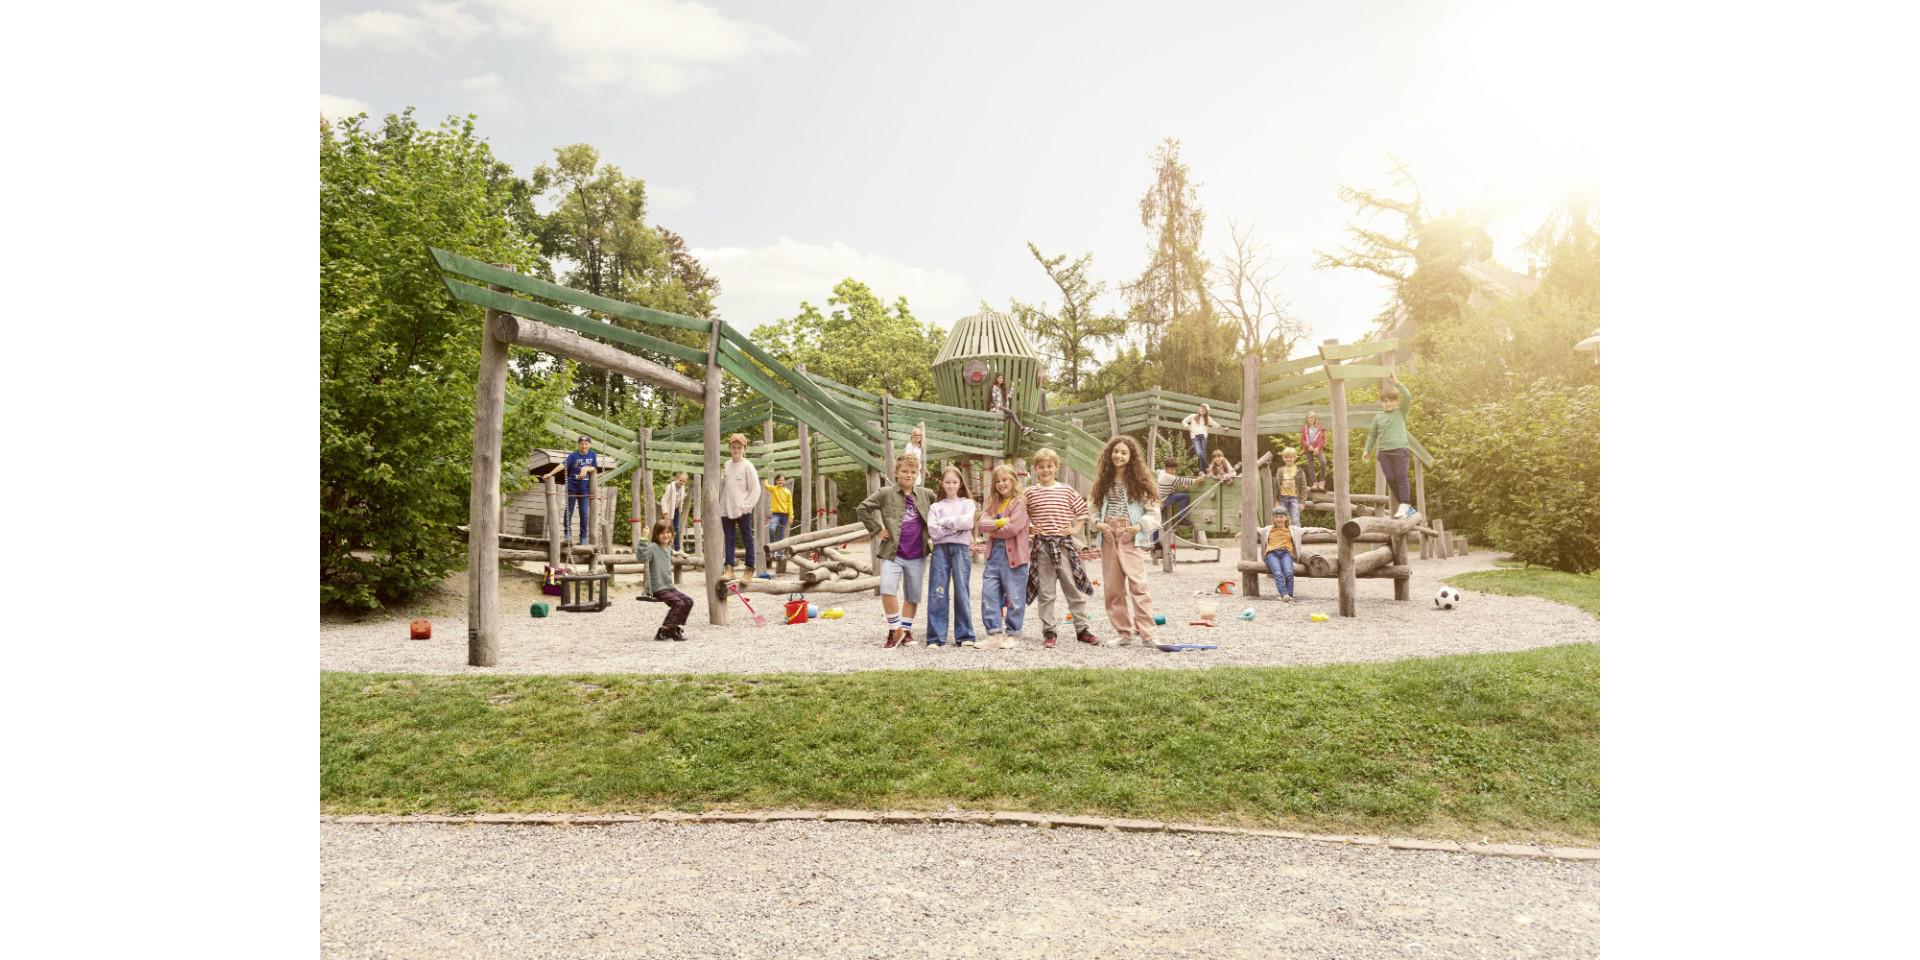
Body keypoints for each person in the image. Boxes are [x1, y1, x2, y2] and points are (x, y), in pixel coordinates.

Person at [856, 453, 936, 649]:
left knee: (913, 595)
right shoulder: (885, 493)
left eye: (913, 472)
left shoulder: (927, 494)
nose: (909, 475)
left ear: (917, 474)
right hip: (893, 553)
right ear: (896, 473)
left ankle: (906, 631)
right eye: (905, 471)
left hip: (918, 554)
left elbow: (941, 512)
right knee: (887, 588)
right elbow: (863, 508)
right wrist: (876, 530)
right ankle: (894, 629)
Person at [1090, 435, 1161, 647]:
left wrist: (1139, 526)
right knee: (1113, 588)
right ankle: (1124, 633)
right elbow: (1092, 507)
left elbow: (1153, 512)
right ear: (1109, 454)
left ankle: (1148, 634)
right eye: (1115, 452)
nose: (1118, 456)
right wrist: (1097, 523)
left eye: (1123, 452)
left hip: (1130, 537)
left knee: (1139, 586)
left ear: (1131, 457)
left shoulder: (1140, 483)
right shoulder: (1102, 482)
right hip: (1109, 536)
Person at [1023, 447, 1097, 648]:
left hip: (1064, 546)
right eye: (1041, 467)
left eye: (1049, 466)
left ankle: (1082, 629)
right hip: (1042, 547)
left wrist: (1075, 528)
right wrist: (1030, 527)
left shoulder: (1066, 490)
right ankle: (1049, 631)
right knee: (1046, 592)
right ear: (1036, 469)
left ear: (1056, 467)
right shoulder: (1030, 492)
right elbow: (1020, 514)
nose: (1046, 470)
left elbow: (1082, 510)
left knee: (1072, 588)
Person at [976, 463, 1030, 649]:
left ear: (1013, 481)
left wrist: (993, 528)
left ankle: (1013, 634)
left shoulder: (1020, 503)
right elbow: (981, 525)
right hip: (994, 556)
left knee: (1015, 596)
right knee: (989, 593)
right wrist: (999, 522)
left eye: (1005, 480)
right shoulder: (993, 504)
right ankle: (994, 634)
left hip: (1014, 556)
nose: (1001, 484)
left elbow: (1013, 529)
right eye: (998, 481)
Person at [924, 465, 978, 647]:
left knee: (962, 591)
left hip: (961, 550)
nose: (951, 485)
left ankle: (965, 635)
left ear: (960, 483)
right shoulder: (935, 506)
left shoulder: (968, 504)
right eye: (947, 482)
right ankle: (935, 637)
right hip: (940, 551)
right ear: (942, 483)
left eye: (955, 482)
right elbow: (934, 532)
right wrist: (955, 528)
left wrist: (945, 523)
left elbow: (967, 522)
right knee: (938, 591)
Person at [1363, 378, 1419, 520]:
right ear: (1381, 403)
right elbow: (1372, 434)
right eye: (1385, 401)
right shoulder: (1378, 417)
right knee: (1391, 478)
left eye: (1390, 400)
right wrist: (1367, 450)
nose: (1388, 403)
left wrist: (1397, 383)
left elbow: (1408, 396)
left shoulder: (1401, 412)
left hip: (1400, 451)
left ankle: (1405, 504)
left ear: (1396, 402)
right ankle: (1407, 508)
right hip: (1384, 453)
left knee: (1401, 477)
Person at [718, 433, 761, 577]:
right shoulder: (727, 465)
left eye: (739, 447)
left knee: (747, 537)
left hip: (742, 510)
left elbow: (756, 490)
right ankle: (729, 568)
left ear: (744, 449)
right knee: (728, 539)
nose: (736, 450)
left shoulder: (748, 466)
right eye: (733, 447)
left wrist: (745, 507)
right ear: (730, 448)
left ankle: (749, 567)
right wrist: (722, 506)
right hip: (726, 509)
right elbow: (727, 487)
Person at [643, 521, 693, 640]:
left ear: (672, 533)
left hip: (668, 586)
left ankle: (673, 627)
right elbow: (641, 556)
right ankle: (664, 630)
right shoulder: (653, 548)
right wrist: (643, 537)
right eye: (661, 533)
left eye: (668, 532)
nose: (665, 535)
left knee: (688, 601)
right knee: (679, 603)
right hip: (656, 587)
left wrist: (680, 554)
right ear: (656, 535)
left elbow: (672, 552)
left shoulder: (668, 548)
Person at [1256, 503, 1304, 602]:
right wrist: (1242, 533)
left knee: (1289, 573)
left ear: (1286, 518)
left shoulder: (1293, 530)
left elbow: (1309, 530)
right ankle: (1284, 594)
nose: (1278, 519)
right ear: (1273, 519)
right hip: (1271, 554)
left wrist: (1326, 530)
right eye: (1276, 517)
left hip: (1286, 553)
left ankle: (1289, 595)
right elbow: (1254, 529)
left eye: (1281, 517)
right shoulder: (1267, 529)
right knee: (1278, 573)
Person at [562, 435, 599, 545]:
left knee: (584, 513)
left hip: (584, 489)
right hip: (572, 487)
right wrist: (550, 473)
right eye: (582, 444)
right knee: (569, 510)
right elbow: (562, 465)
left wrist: (586, 468)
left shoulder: (592, 455)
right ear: (579, 444)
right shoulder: (573, 456)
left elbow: (595, 468)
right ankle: (567, 534)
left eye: (586, 443)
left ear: (589, 445)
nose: (584, 446)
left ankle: (583, 537)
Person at [1155, 458, 1197, 544]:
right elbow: (1182, 480)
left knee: (1156, 522)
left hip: (1161, 498)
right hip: (1165, 499)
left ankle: (1154, 541)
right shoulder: (1167, 476)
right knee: (1185, 496)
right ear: (1166, 468)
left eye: (1175, 469)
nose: (1174, 471)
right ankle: (1182, 518)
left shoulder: (1162, 472)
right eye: (1171, 469)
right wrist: (1196, 480)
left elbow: (1157, 471)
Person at [1273, 446, 1305, 526]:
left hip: (1294, 498)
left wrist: (1302, 502)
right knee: (1282, 518)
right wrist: (1276, 501)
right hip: (1282, 498)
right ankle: (1283, 535)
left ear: (1295, 458)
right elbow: (1276, 486)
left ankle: (1296, 536)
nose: (1288, 459)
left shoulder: (1299, 471)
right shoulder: (1280, 470)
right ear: (1283, 458)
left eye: (1291, 457)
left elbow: (1303, 487)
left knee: (1295, 518)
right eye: (1286, 457)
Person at [764, 474, 793, 559]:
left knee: (781, 534)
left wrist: (791, 516)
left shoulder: (787, 492)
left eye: (782, 480)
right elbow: (766, 485)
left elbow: (790, 505)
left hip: (785, 514)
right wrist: (765, 476)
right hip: (776, 514)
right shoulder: (773, 489)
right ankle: (772, 549)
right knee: (771, 529)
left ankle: (779, 552)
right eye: (779, 480)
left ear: (784, 481)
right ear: (776, 481)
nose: (780, 481)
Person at [659, 473, 689, 552]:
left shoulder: (682, 487)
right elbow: (664, 500)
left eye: (684, 481)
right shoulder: (670, 487)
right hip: (669, 510)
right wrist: (665, 513)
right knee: (666, 528)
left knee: (676, 529)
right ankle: (665, 547)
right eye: (680, 480)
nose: (681, 482)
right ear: (677, 479)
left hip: (676, 510)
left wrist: (684, 496)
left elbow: (679, 497)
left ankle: (677, 548)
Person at [1301, 412, 1328, 492]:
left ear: (1315, 418)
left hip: (1318, 449)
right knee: (1310, 465)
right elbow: (1302, 440)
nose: (1311, 419)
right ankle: (1314, 483)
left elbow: (1323, 439)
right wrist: (1308, 446)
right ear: (1307, 419)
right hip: (1308, 449)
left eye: (1313, 417)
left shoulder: (1320, 428)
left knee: (1323, 462)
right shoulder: (1305, 429)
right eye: (1309, 418)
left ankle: (1322, 481)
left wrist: (1317, 448)